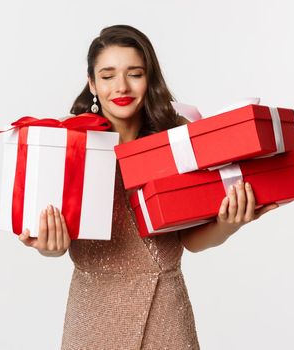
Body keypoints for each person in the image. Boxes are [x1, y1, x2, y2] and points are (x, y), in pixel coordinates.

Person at [16, 24, 278, 349]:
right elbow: (50, 237)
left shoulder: (179, 140)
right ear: (92, 84)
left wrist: (227, 224)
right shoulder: (67, 144)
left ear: (149, 78)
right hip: (94, 314)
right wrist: (48, 247)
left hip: (167, 312)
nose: (121, 86)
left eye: (134, 73)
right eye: (108, 75)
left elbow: (190, 242)